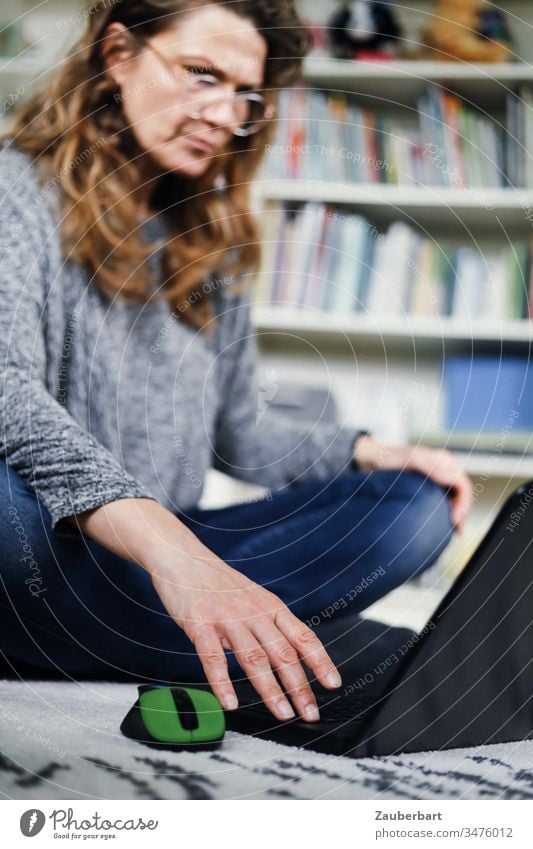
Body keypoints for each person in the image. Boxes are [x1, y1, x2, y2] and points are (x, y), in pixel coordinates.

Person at [0, 0, 472, 725]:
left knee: (412, 507)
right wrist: (179, 561)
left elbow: (243, 430)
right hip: (51, 549)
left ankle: (144, 639)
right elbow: (8, 392)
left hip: (170, 549)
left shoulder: (208, 242)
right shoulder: (14, 189)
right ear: (117, 53)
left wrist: (376, 451)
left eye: (244, 94)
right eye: (201, 74)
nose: (224, 112)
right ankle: (232, 637)